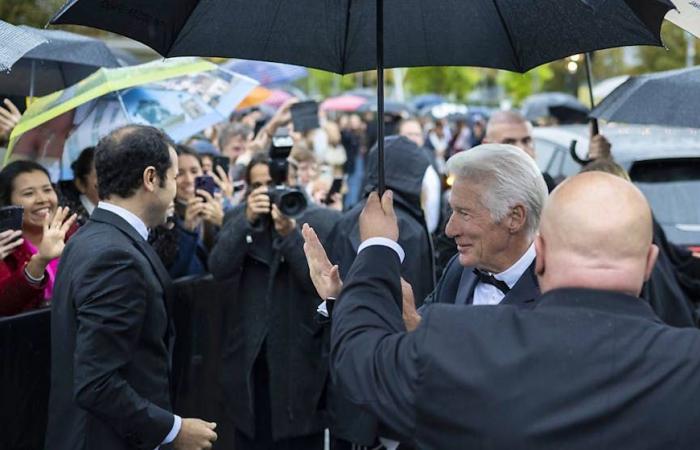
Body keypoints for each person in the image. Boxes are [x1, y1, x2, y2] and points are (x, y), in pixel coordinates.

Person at [315, 172, 700, 449]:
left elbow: (359, 357)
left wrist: (378, 247)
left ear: (542, 253)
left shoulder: (459, 341)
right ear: (650, 263)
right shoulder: (688, 366)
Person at [46, 125, 217, 450]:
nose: (180, 186)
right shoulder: (114, 256)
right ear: (151, 178)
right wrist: (172, 430)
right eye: (176, 174)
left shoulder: (93, 237)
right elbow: (97, 382)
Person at [208, 152, 338, 450]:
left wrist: (291, 236)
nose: (267, 192)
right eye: (258, 185)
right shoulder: (239, 217)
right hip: (251, 363)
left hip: (299, 362)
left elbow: (319, 284)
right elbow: (219, 267)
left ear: (290, 184)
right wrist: (246, 222)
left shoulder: (320, 220)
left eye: (273, 183)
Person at [0, 161, 77, 316]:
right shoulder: (5, 245)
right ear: (8, 203)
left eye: (47, 189)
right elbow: (5, 306)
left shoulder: (72, 232)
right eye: (29, 193)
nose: (42, 199)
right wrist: (40, 261)